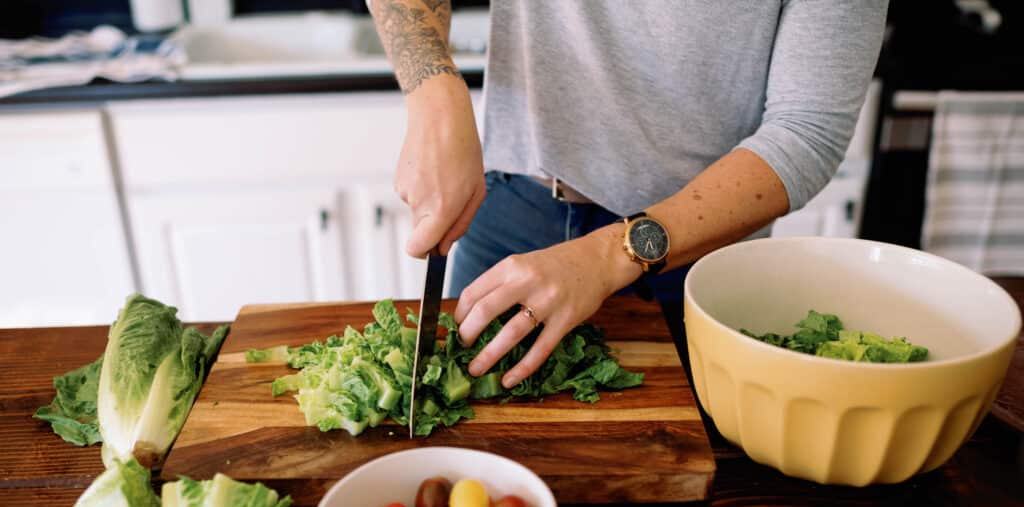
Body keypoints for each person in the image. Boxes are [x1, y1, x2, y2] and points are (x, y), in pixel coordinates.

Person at [368, 0, 889, 389]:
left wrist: (611, 253)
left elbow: (808, 131)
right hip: (508, 207)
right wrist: (433, 91)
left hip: (693, 250)